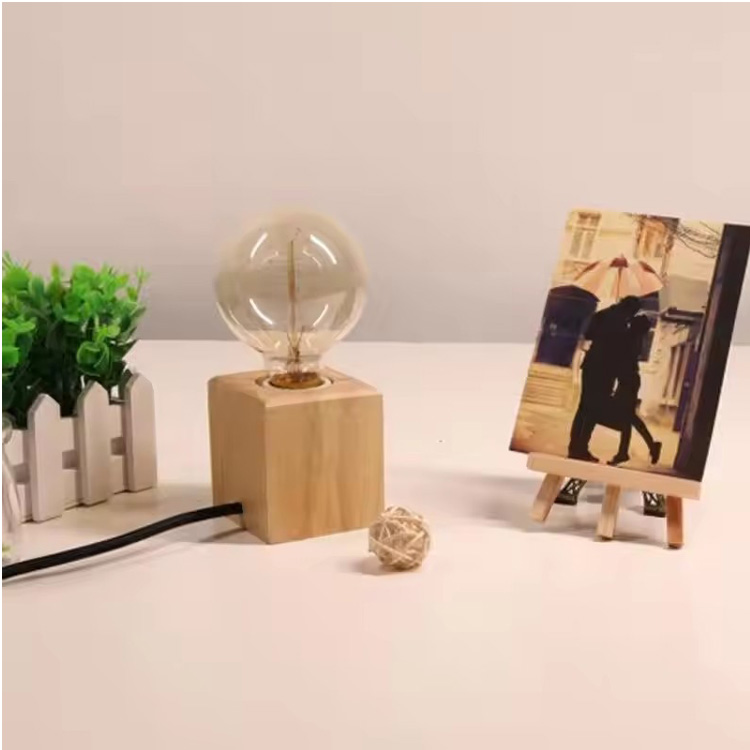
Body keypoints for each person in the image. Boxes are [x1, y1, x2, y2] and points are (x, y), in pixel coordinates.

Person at [568, 295, 641, 462]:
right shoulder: (621, 323)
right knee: (593, 410)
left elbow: (588, 334)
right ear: (629, 309)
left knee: (583, 407)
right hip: (605, 370)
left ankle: (574, 447)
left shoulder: (602, 314)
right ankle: (581, 449)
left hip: (591, 365)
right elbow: (621, 349)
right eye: (633, 312)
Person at [607, 315, 662, 466]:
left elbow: (621, 360)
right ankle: (646, 447)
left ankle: (625, 452)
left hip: (627, 381)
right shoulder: (635, 340)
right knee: (629, 417)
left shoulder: (631, 339)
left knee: (627, 417)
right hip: (629, 380)